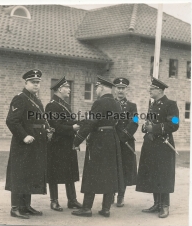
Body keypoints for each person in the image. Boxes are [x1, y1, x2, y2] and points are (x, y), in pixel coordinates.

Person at [71, 76, 124, 218]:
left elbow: (90, 123)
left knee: (92, 172)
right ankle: (106, 209)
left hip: (99, 141)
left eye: (97, 88)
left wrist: (77, 140)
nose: (96, 91)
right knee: (110, 173)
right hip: (112, 140)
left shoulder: (99, 103)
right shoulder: (117, 103)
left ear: (101, 87)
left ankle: (87, 208)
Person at [5, 69, 49, 219]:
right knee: (20, 173)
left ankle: (26, 206)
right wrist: (24, 136)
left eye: (38, 82)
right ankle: (15, 207)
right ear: (26, 83)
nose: (36, 85)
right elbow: (11, 121)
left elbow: (41, 119)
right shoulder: (20, 98)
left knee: (30, 173)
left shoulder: (36, 99)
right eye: (33, 82)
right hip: (23, 143)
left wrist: (47, 129)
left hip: (36, 142)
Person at [136, 77, 179, 218]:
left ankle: (165, 206)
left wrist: (153, 128)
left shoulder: (171, 104)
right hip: (151, 144)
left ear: (160, 90)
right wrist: (145, 127)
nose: (150, 90)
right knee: (154, 172)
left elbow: (174, 124)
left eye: (152, 88)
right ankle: (157, 204)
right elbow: (148, 121)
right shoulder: (152, 105)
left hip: (163, 145)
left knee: (163, 174)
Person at [45, 77, 82, 211]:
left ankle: (72, 200)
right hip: (57, 144)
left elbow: (68, 121)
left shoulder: (65, 104)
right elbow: (55, 126)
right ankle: (54, 201)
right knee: (54, 173)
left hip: (68, 143)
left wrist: (79, 123)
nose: (69, 90)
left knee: (70, 171)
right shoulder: (52, 105)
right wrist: (72, 128)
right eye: (67, 87)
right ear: (60, 89)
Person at [113, 77, 138, 207]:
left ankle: (121, 195)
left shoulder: (132, 106)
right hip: (111, 142)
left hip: (125, 142)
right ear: (114, 89)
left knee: (123, 169)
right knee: (111, 168)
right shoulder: (109, 104)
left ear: (126, 90)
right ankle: (110, 193)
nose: (120, 91)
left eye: (123, 88)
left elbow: (134, 122)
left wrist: (123, 137)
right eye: (118, 88)